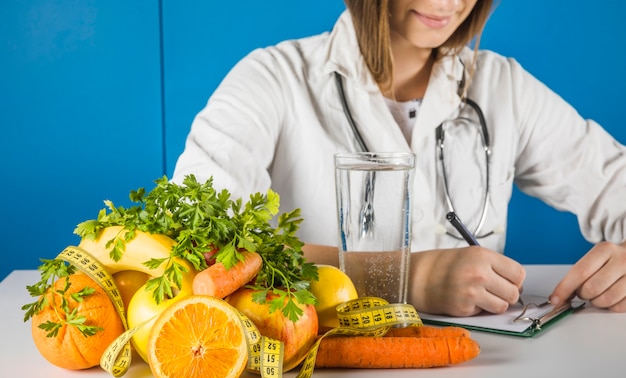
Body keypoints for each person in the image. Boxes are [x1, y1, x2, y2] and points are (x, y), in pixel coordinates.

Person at [172, 0, 626, 316]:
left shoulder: (503, 87)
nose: (449, 2)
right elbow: (194, 243)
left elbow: (615, 182)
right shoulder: (271, 80)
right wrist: (407, 278)